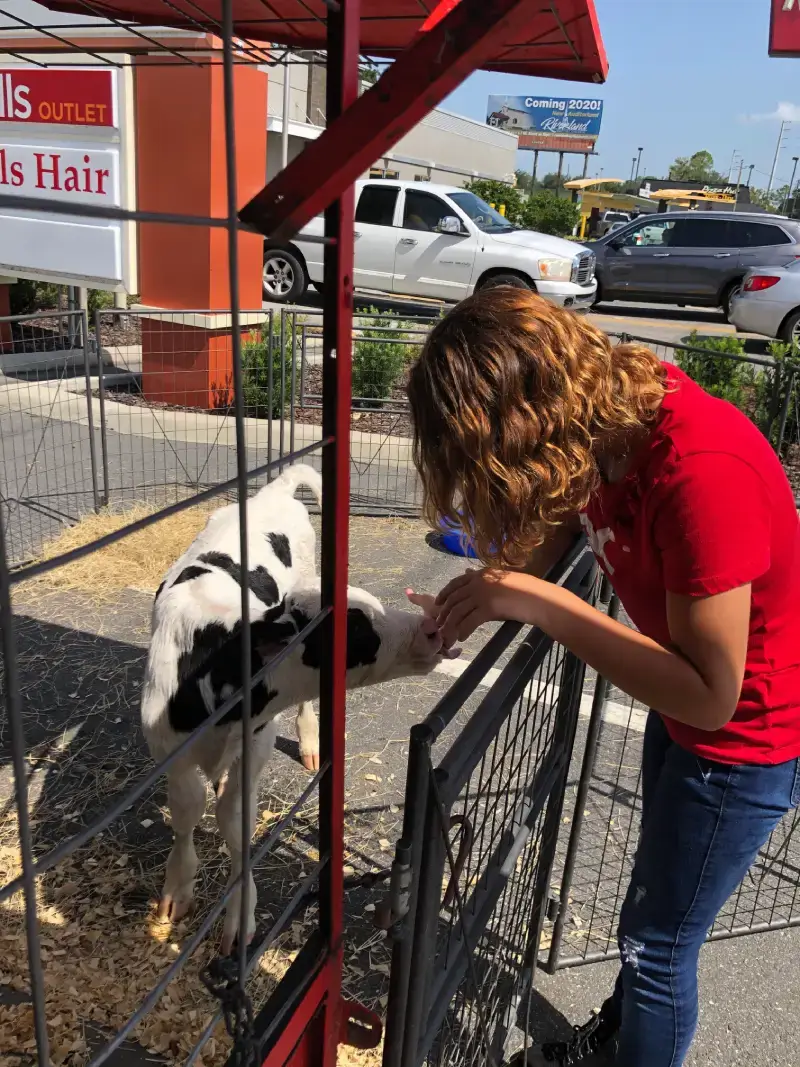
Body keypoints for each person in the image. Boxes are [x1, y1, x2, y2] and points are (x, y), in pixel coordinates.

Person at [405, 287, 800, 1067]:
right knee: (649, 913)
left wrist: (538, 602)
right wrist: (490, 589)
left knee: (659, 945)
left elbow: (711, 695)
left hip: (741, 745)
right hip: (685, 722)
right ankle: (620, 1041)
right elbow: (556, 526)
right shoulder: (607, 426)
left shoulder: (697, 471)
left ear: (526, 425)